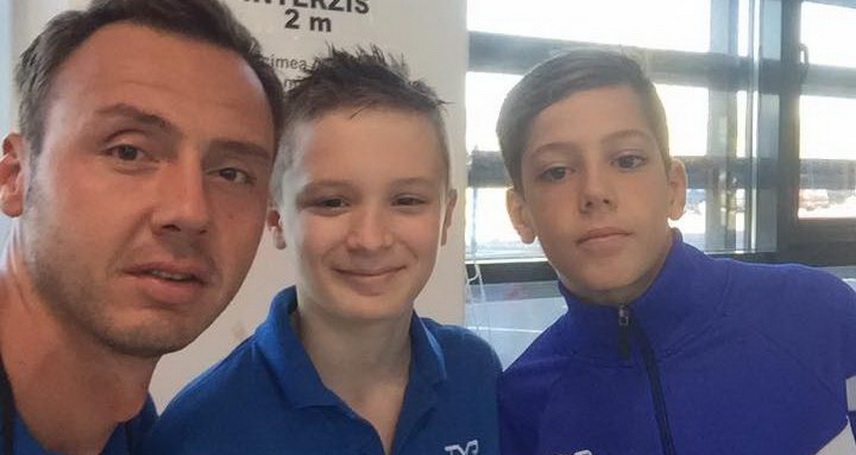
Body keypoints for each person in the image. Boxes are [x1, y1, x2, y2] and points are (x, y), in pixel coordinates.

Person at [141, 46, 501, 455]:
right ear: (276, 219)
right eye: (332, 202)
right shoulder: (200, 431)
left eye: (407, 201)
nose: (370, 239)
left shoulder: (475, 373)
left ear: (447, 216)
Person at [496, 49, 856, 455]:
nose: (595, 191)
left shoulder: (819, 315)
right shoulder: (522, 404)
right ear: (521, 213)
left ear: (674, 189)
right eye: (557, 171)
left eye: (627, 161)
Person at [0, 0, 284, 453]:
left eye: (231, 173)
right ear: (14, 177)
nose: (191, 211)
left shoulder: (135, 429)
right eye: (128, 151)